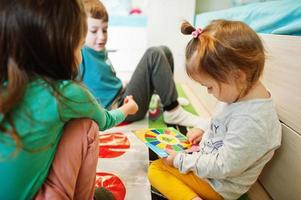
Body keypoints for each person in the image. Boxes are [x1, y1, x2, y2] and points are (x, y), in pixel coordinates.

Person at [0, 0, 138, 199]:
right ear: (62, 47)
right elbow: (105, 120)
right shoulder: (66, 93)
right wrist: (128, 109)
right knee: (86, 125)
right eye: (80, 46)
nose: (81, 55)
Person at [148, 20, 282, 200]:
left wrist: (181, 160)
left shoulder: (253, 121)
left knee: (155, 169)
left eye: (209, 87)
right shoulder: (239, 94)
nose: (209, 93)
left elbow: (225, 166)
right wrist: (205, 130)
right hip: (211, 169)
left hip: (218, 185)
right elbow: (224, 122)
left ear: (237, 75)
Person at [80, 0, 201, 127]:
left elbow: (103, 77)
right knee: (154, 54)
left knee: (165, 51)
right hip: (120, 108)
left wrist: (121, 83)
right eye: (94, 31)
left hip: (122, 94)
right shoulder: (80, 54)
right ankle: (173, 111)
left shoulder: (97, 48)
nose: (102, 36)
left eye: (104, 30)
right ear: (79, 31)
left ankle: (167, 99)